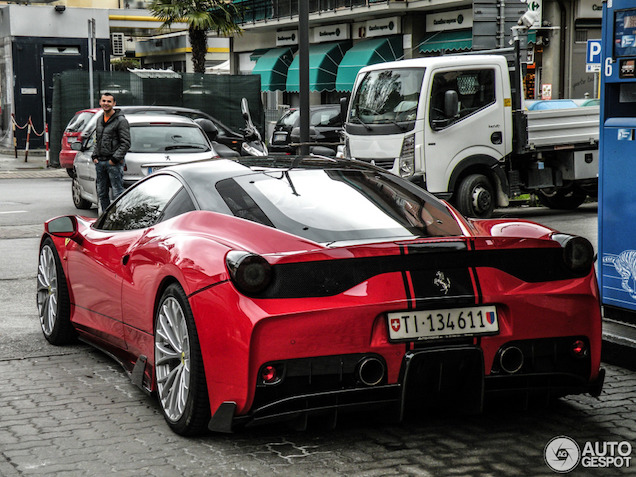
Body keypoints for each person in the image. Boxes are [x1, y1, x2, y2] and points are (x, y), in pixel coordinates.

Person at [92, 92, 130, 211]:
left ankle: (119, 217)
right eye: (104, 101)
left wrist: (114, 160)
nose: (106, 104)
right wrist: (94, 156)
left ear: (114, 103)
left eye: (109, 101)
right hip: (100, 162)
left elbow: (126, 143)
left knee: (118, 192)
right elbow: (98, 140)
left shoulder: (121, 121)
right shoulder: (99, 119)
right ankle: (105, 218)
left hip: (113, 163)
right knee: (102, 193)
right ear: (100, 102)